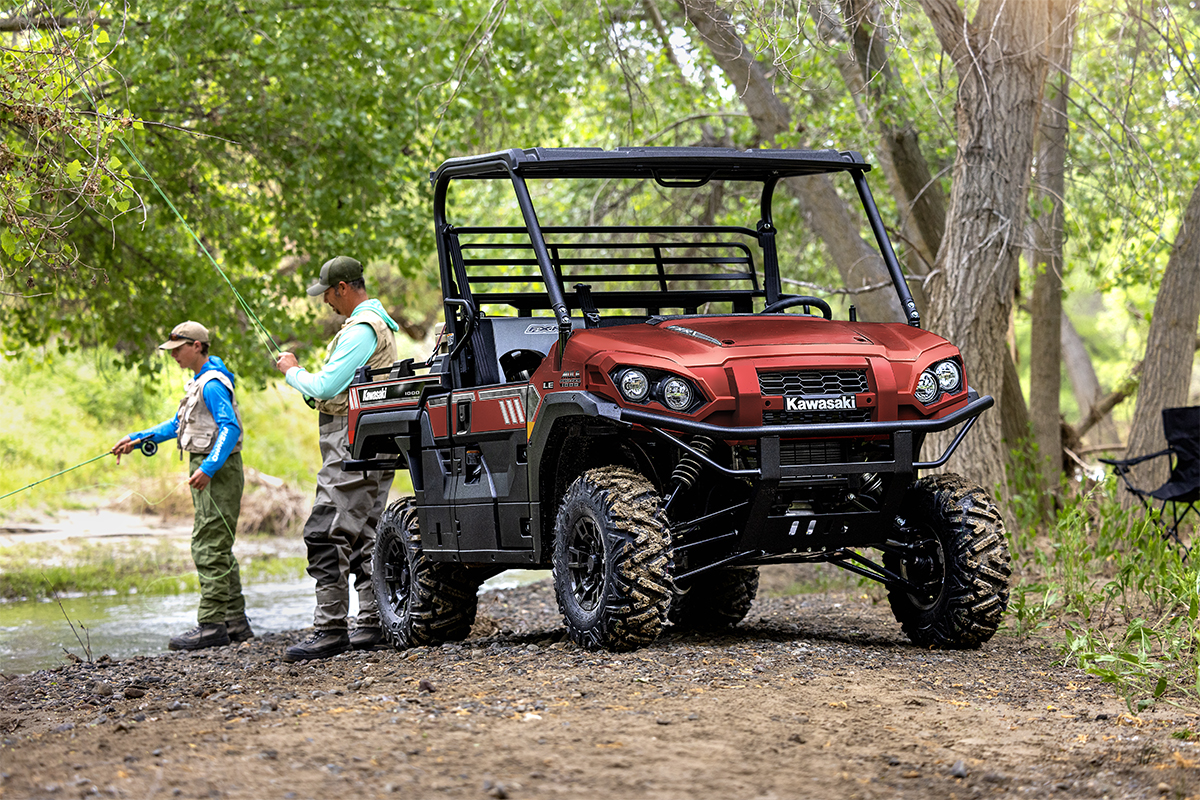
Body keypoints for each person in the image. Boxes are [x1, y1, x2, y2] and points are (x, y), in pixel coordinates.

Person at [274, 256, 399, 662]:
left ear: (343, 287)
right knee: (364, 533)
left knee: (324, 532)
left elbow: (327, 383)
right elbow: (336, 389)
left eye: (327, 292)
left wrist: (293, 372)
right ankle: (371, 623)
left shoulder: (361, 329)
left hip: (351, 445)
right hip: (367, 441)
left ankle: (329, 628)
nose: (325, 301)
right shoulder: (375, 324)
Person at [111, 321, 252, 651]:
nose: (173, 355)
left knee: (208, 545)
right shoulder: (200, 382)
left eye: (178, 349)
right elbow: (177, 425)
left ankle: (212, 625)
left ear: (198, 347)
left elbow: (229, 428)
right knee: (217, 544)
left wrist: (208, 467)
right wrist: (137, 438)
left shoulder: (214, 384)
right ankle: (235, 623)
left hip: (218, 472)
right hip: (212, 470)